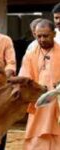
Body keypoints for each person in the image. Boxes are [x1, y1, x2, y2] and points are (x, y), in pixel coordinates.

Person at [19, 19, 60, 150]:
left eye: (45, 36)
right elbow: (25, 79)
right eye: (39, 36)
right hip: (38, 104)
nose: (42, 39)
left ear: (54, 34)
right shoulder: (30, 55)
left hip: (58, 104)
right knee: (36, 137)